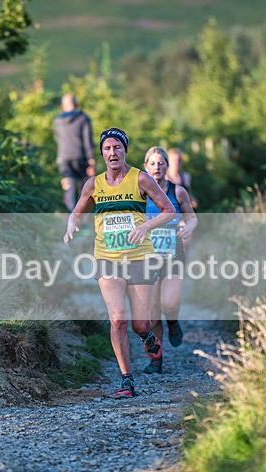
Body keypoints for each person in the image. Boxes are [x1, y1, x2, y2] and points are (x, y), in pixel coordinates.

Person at [64, 128, 176, 399]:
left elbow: (169, 211)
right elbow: (77, 212)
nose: (112, 153)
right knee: (117, 320)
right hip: (107, 258)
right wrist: (71, 226)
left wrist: (145, 227)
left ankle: (148, 337)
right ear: (102, 153)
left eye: (117, 148)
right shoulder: (93, 184)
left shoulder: (141, 178)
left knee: (140, 324)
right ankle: (127, 380)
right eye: (107, 148)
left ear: (125, 150)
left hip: (139, 258)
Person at [144, 146, 197, 359]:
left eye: (161, 163)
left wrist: (188, 228)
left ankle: (173, 322)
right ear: (146, 167)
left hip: (173, 254)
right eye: (153, 163)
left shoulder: (178, 191)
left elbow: (192, 217)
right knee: (153, 313)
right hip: (147, 258)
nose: (157, 167)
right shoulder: (140, 193)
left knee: (169, 303)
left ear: (167, 166)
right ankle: (155, 360)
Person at [53, 93, 96, 211]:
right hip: (81, 157)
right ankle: (84, 222)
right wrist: (91, 160)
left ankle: (69, 222)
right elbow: (87, 140)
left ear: (62, 106)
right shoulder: (83, 118)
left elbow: (58, 139)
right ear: (76, 104)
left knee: (68, 190)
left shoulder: (57, 121)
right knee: (84, 191)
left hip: (63, 158)